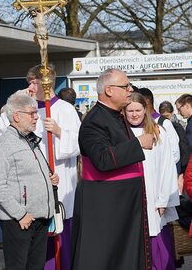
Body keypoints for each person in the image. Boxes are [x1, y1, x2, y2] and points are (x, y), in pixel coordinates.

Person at [71, 68, 154, 270]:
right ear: (109, 90)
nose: (130, 89)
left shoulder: (116, 115)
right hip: (106, 206)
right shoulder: (94, 122)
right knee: (105, 259)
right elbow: (103, 159)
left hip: (122, 204)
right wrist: (138, 143)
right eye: (125, 86)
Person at [0, 93, 59, 270]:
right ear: (16, 116)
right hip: (19, 220)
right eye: (32, 113)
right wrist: (20, 214)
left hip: (39, 218)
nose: (37, 117)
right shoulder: (4, 145)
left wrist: (49, 178)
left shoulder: (30, 140)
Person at [27, 65, 81, 270]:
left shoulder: (65, 109)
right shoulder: (28, 109)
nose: (30, 86)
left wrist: (59, 132)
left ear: (46, 83)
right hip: (34, 180)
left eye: (34, 81)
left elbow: (78, 143)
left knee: (60, 231)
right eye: (30, 81)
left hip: (60, 177)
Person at [125, 92, 179, 269]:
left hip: (153, 196)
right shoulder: (120, 132)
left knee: (155, 243)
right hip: (129, 198)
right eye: (130, 110)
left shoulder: (156, 130)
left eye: (138, 110)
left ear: (145, 110)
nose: (134, 114)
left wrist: (163, 199)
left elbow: (166, 167)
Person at [139, 88, 180, 164]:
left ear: (147, 101)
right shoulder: (137, 123)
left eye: (139, 101)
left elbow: (175, 153)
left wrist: (161, 169)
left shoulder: (164, 123)